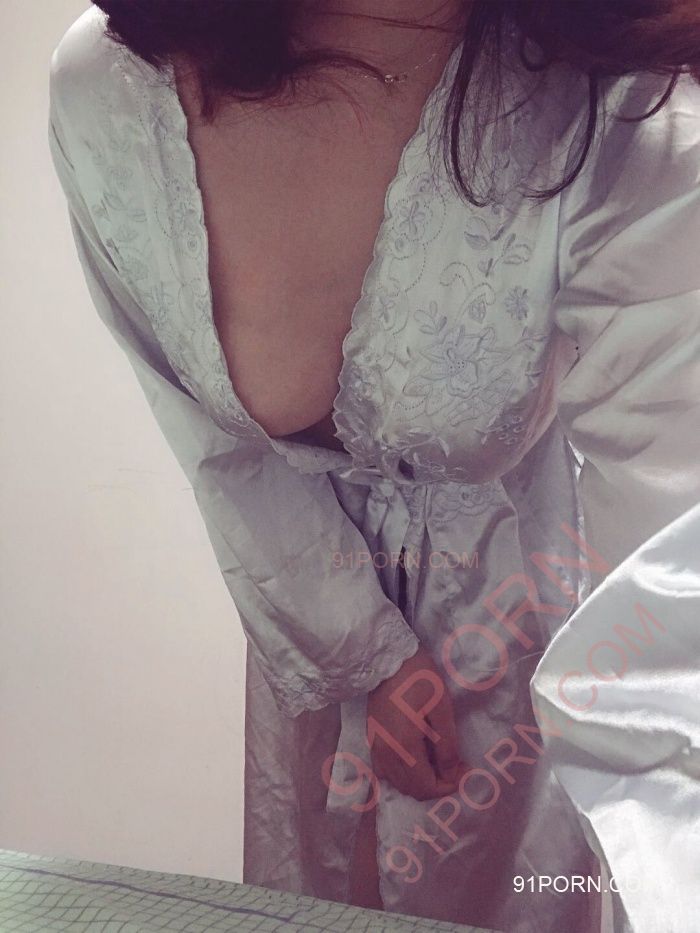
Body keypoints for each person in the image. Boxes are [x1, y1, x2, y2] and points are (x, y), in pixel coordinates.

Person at [48, 1, 700, 930]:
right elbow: (214, 441)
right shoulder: (107, 90)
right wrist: (361, 653)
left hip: (518, 628)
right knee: (313, 884)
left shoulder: (625, 107)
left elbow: (672, 585)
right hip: (300, 627)